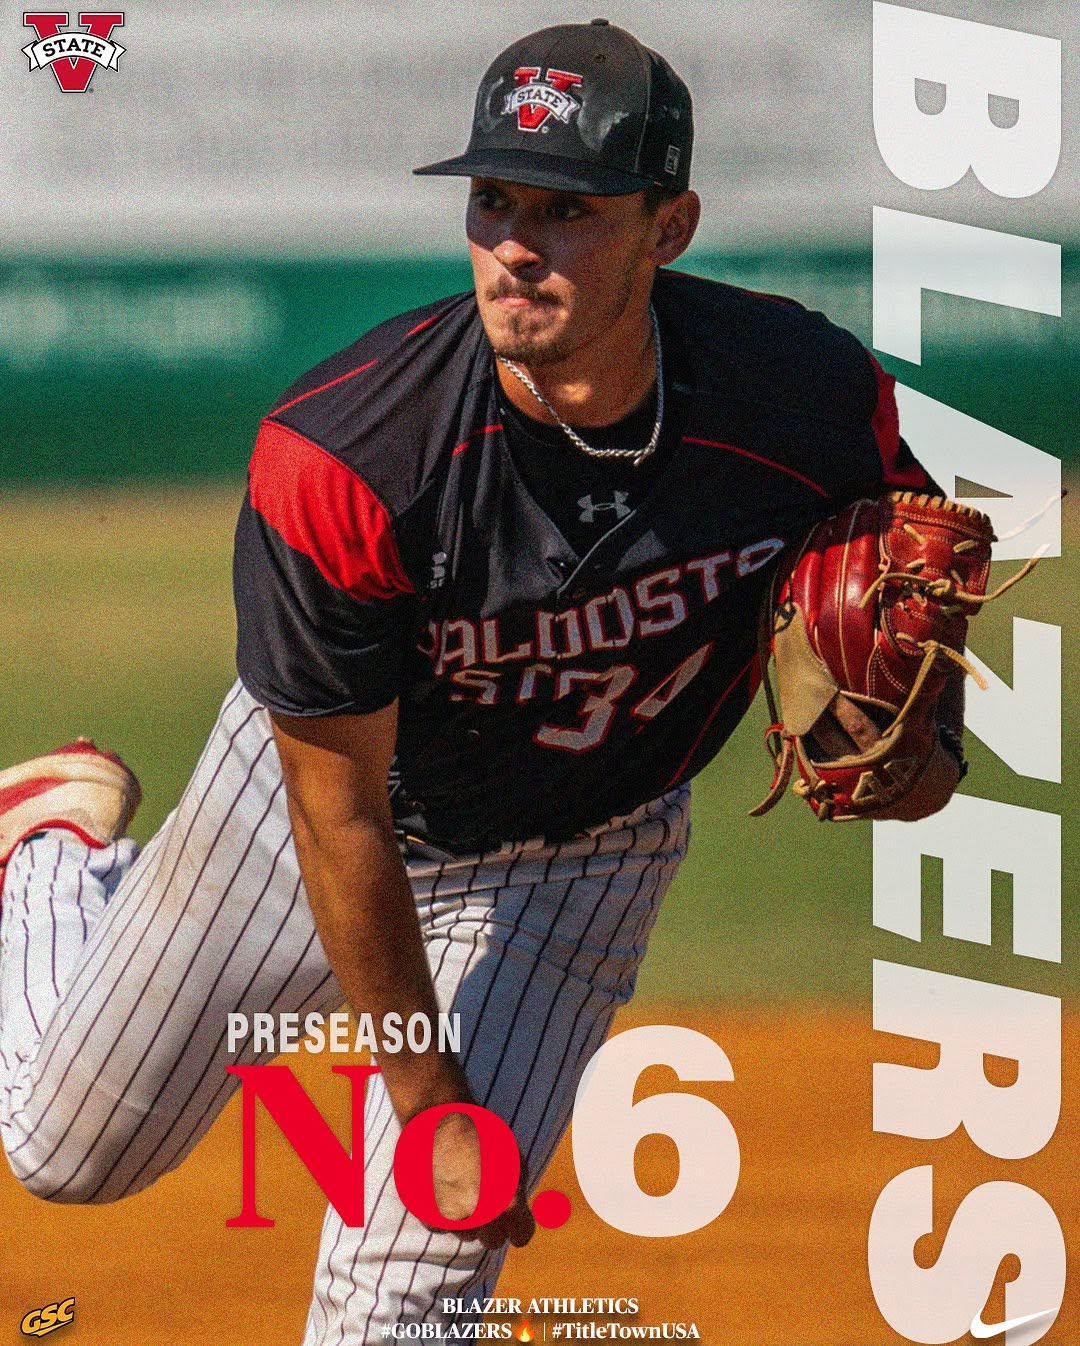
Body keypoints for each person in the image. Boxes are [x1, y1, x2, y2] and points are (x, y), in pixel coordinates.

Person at [0, 19, 947, 1342]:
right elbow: (338, 815)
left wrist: (926, 749)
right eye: (494, 200)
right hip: (313, 812)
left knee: (406, 1296)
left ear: (670, 227)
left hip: (582, 856)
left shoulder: (802, 397)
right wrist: (430, 1101)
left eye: (568, 209)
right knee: (66, 1150)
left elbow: (916, 583)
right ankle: (48, 846)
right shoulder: (349, 456)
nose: (516, 245)